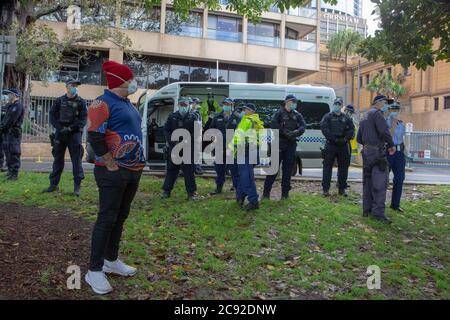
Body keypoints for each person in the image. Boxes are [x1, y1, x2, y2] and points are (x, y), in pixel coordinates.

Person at [85, 60, 145, 295]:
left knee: (120, 216)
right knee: (107, 218)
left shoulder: (127, 103)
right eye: (130, 79)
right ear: (121, 81)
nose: (133, 83)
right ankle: (94, 270)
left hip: (132, 171)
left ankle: (111, 260)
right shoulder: (102, 103)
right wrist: (110, 162)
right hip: (113, 171)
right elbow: (94, 136)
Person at [43, 79, 87, 196]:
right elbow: (52, 116)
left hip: (74, 134)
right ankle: (53, 185)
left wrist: (71, 128)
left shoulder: (81, 102)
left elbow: (83, 120)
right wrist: (59, 128)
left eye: (76, 86)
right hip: (60, 133)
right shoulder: (59, 101)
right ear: (67, 86)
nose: (75, 87)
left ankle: (77, 187)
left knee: (76, 161)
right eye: (72, 85)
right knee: (57, 160)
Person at [357, 95, 396, 224]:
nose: (387, 106)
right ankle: (378, 213)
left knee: (367, 182)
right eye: (385, 102)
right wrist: (390, 145)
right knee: (380, 183)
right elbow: (384, 131)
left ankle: (366, 210)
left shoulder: (365, 115)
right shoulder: (377, 114)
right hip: (378, 153)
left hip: (367, 152)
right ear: (378, 103)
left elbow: (358, 138)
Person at [263, 94, 306, 199]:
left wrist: (295, 132)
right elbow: (274, 125)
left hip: (291, 145)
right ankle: (266, 193)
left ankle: (285, 194)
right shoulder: (279, 113)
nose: (294, 104)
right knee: (273, 170)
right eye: (293, 102)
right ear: (287, 102)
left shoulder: (297, 115)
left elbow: (303, 126)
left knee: (287, 171)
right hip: (278, 144)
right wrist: (285, 132)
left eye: (295, 102)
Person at [162, 97, 198, 200]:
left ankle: (191, 193)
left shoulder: (193, 117)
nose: (183, 107)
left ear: (189, 105)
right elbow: (166, 130)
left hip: (187, 148)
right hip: (174, 148)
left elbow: (197, 131)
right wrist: (172, 141)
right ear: (178, 105)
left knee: (189, 172)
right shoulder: (172, 116)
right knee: (172, 170)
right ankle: (166, 191)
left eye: (185, 105)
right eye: (181, 105)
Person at [230, 103, 264, 211]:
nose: (244, 111)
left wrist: (230, 149)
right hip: (252, 152)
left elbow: (237, 137)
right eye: (244, 109)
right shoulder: (257, 122)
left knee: (246, 178)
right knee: (243, 176)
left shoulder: (247, 121)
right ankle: (240, 197)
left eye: (247, 109)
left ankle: (253, 201)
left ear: (252, 111)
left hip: (244, 152)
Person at [320, 98, 355, 197]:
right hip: (331, 144)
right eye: (336, 104)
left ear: (341, 106)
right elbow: (324, 129)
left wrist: (345, 138)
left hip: (343, 145)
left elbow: (351, 130)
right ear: (333, 105)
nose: (337, 106)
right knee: (327, 167)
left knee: (343, 168)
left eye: (339, 104)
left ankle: (342, 189)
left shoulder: (346, 118)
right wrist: (334, 139)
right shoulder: (327, 117)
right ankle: (325, 189)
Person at [209, 97, 241, 195]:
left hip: (232, 149)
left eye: (228, 104)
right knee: (219, 169)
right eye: (225, 104)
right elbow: (211, 130)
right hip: (219, 148)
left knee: (234, 169)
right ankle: (219, 188)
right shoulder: (217, 117)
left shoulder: (237, 118)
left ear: (232, 106)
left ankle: (236, 187)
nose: (226, 106)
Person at [386, 101, 406, 212]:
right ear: (389, 110)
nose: (395, 112)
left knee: (399, 178)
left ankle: (395, 204)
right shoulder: (386, 122)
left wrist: (404, 151)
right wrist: (393, 123)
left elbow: (401, 139)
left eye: (397, 110)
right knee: (384, 178)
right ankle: (379, 203)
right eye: (393, 109)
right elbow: (389, 136)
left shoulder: (401, 123)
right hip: (389, 152)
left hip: (399, 153)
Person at [0, 88, 24, 181]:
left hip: (14, 132)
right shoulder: (10, 105)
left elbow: (11, 120)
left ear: (15, 95)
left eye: (10, 94)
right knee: (8, 152)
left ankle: (14, 174)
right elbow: (5, 119)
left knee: (14, 153)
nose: (8, 95)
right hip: (7, 132)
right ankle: (10, 172)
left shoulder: (17, 106)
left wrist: (2, 128)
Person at [191, 97, 204, 175]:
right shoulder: (190, 112)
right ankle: (190, 169)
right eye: (196, 103)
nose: (197, 105)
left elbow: (199, 125)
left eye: (198, 103)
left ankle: (197, 168)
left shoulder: (197, 113)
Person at [0, 93, 9, 172]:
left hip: (5, 131)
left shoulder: (7, 108)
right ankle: (1, 164)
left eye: (4, 100)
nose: (3, 101)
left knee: (6, 148)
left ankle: (7, 164)